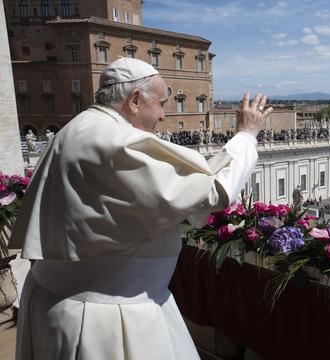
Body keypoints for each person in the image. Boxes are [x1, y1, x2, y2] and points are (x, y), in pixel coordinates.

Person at [9, 57, 273, 360]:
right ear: (135, 99)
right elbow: (211, 190)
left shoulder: (79, 127)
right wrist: (246, 136)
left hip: (59, 300)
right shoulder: (114, 140)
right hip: (104, 319)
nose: (162, 115)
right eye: (161, 103)